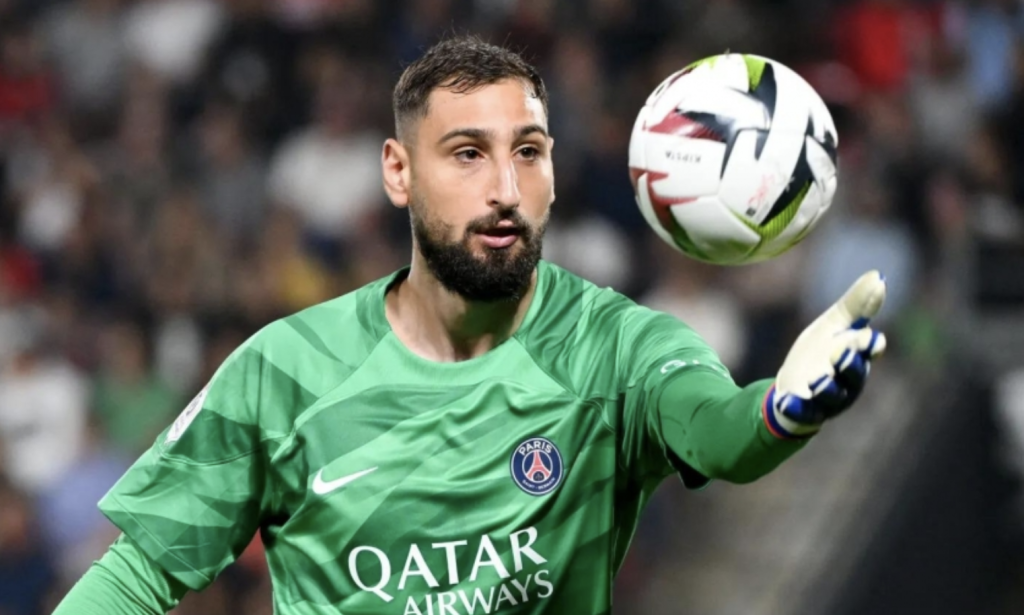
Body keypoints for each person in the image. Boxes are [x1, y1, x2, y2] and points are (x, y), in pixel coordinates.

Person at [53, 36, 887, 615]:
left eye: (528, 152)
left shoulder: (616, 346)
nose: (504, 189)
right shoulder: (284, 370)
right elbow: (137, 577)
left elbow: (719, 432)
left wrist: (780, 411)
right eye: (467, 153)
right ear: (398, 172)